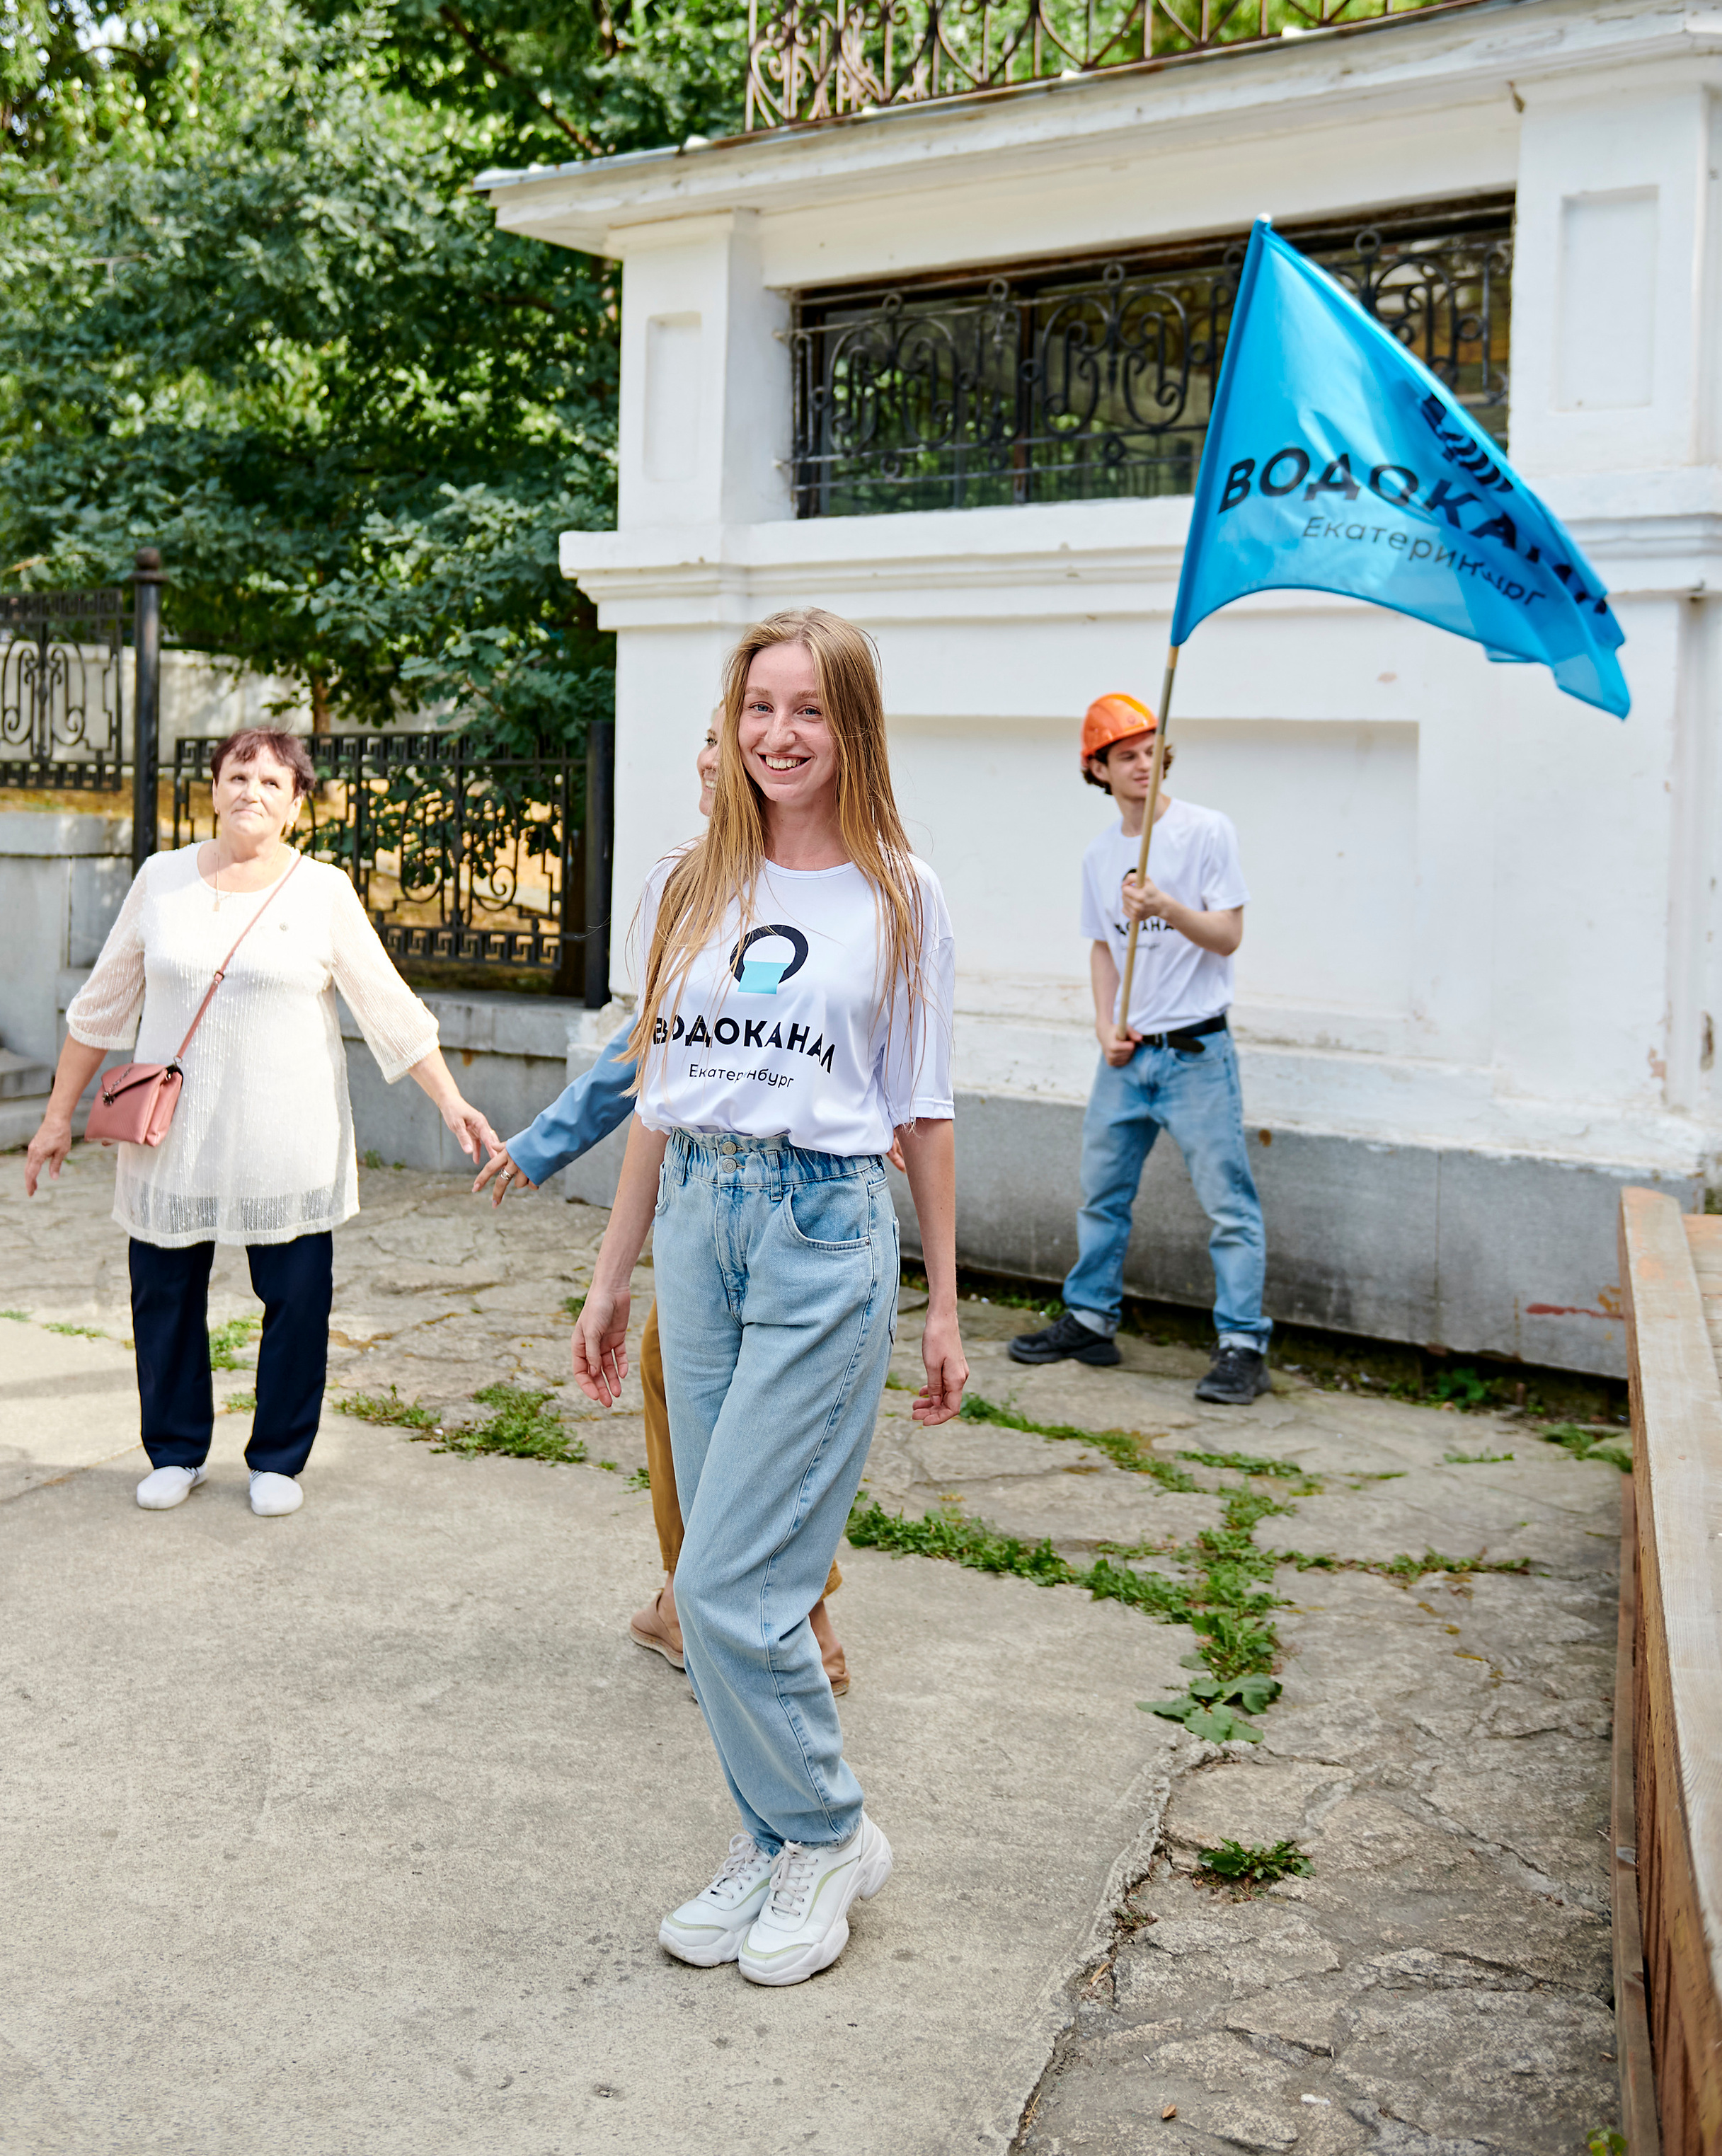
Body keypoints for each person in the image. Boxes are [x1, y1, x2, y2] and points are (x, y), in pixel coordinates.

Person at [570, 607, 964, 1988]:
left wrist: (946, 1307)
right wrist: (613, 1278)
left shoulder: (899, 893)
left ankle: (829, 1832)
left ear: (850, 726)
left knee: (738, 1582)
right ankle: (770, 1831)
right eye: (756, 710)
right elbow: (655, 1103)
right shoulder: (688, 886)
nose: (778, 736)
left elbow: (921, 1113)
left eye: (807, 710)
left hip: (822, 1231)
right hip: (698, 1227)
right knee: (717, 1573)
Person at [24, 727, 500, 1516]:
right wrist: (54, 1119)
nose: (252, 792)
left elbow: (388, 1007)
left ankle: (278, 1457)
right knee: (164, 1294)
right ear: (214, 788)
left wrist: (450, 1098)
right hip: (172, 1134)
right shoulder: (162, 880)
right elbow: (98, 1008)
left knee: (298, 1298)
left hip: (288, 1133)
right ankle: (176, 1453)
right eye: (239, 776)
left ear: (297, 803)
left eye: (273, 782)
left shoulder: (324, 891)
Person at [474, 710, 852, 1694]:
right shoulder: (696, 884)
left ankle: (719, 1604)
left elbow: (653, 1057)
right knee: (693, 1389)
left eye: (717, 755)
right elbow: (655, 1053)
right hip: (702, 1195)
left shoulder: (838, 885)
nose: (705, 768)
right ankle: (766, 1606)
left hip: (790, 1205)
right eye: (709, 747)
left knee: (730, 1403)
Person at [1006, 691, 1273, 1406]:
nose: (1142, 765)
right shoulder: (1101, 855)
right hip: (1127, 1057)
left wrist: (1168, 910)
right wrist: (1104, 1027)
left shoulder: (1205, 832)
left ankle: (1243, 1344)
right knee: (1101, 1195)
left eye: (1151, 752)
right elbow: (1102, 948)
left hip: (1195, 1053)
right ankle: (1091, 1317)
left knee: (1228, 1203)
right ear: (1097, 769)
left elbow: (1228, 936)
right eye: (1125, 756)